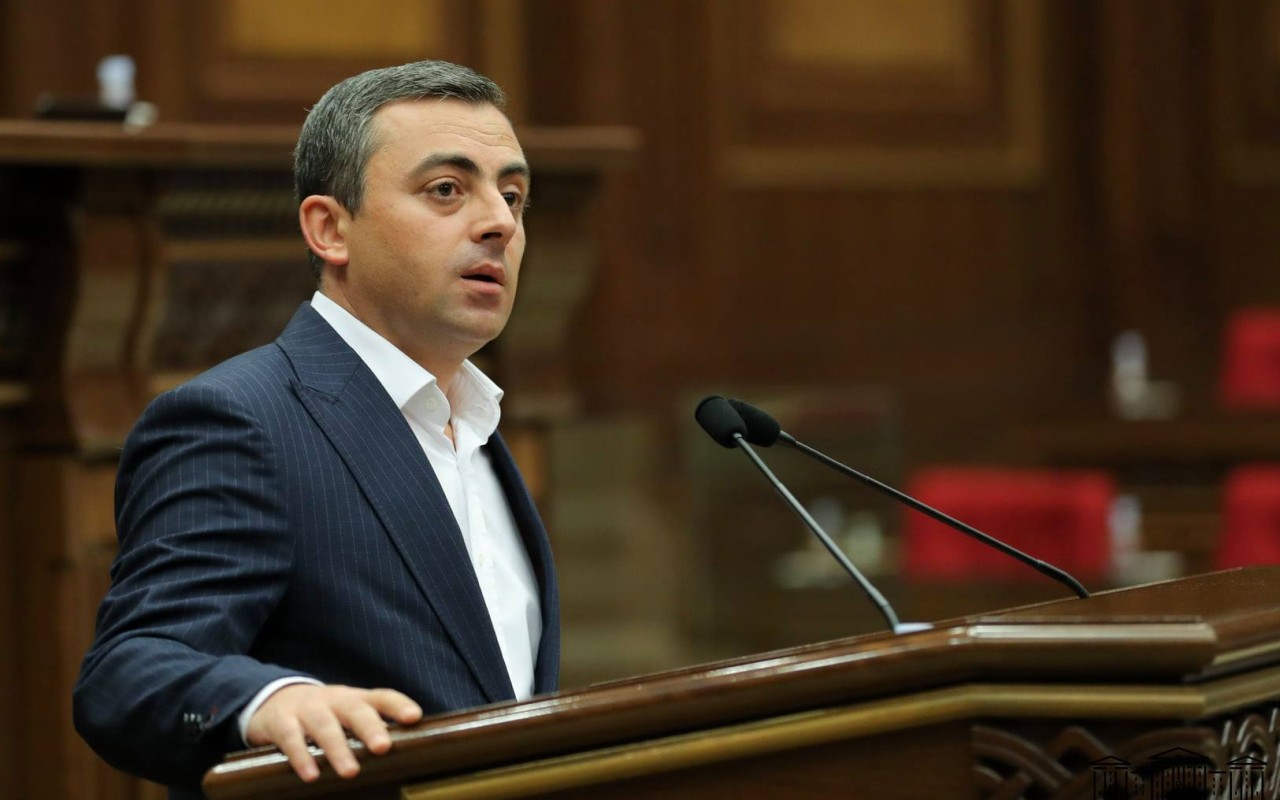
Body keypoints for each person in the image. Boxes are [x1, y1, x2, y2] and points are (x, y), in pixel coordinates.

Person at [72, 60, 559, 799]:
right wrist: (267, 703)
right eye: (446, 190)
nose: (500, 222)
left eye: (513, 195)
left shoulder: (479, 427)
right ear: (330, 229)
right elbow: (128, 674)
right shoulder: (240, 420)